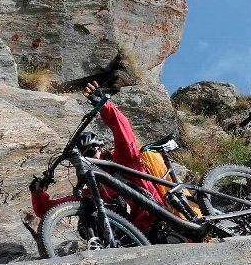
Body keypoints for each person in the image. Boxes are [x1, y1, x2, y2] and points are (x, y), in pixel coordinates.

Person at [30, 81, 167, 237]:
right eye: (82, 157)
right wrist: (38, 192)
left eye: (90, 152)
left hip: (159, 222)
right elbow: (47, 210)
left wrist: (103, 104)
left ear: (102, 149)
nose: (87, 160)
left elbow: (121, 127)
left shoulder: (124, 160)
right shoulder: (93, 192)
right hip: (138, 239)